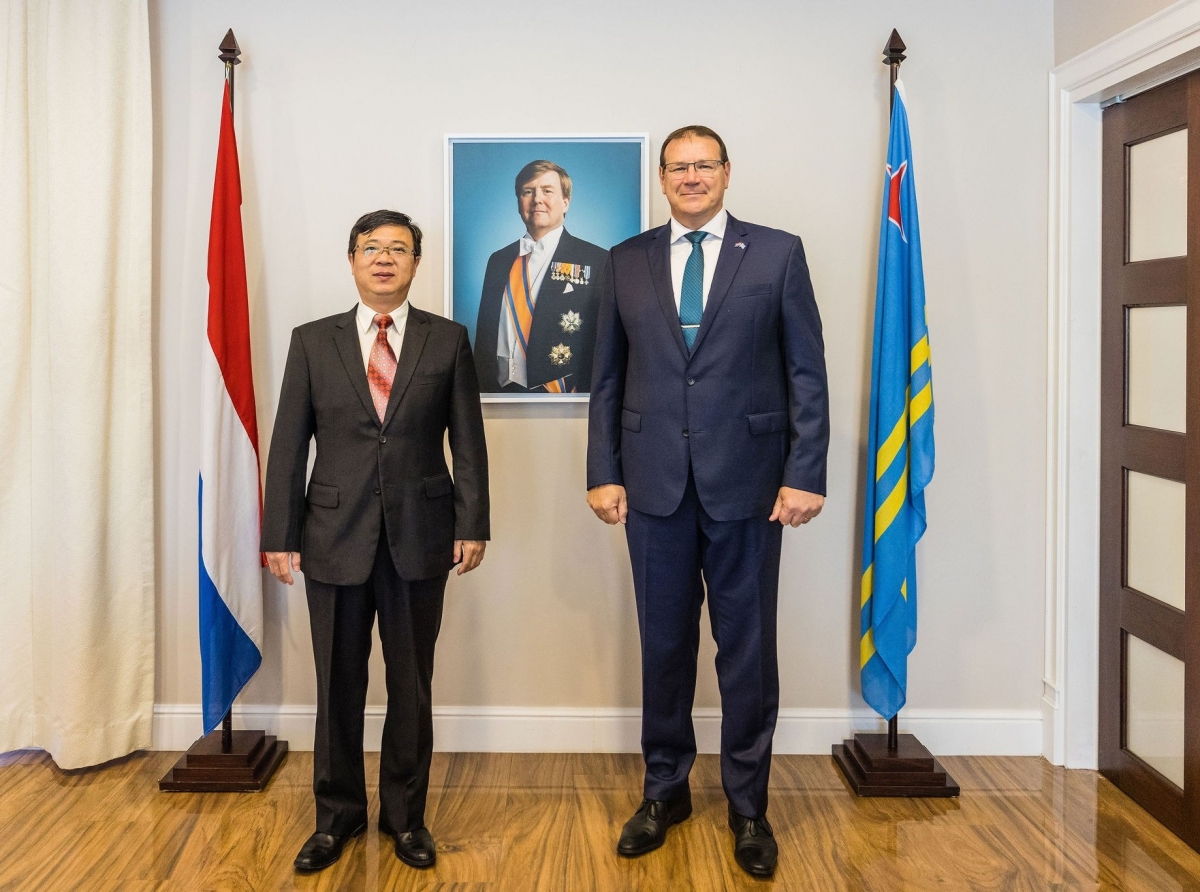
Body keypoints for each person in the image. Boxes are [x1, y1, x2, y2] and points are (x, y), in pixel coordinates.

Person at [585, 126, 829, 878]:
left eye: (704, 166)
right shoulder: (626, 260)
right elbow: (607, 377)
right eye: (678, 167)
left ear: (726, 173)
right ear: (662, 179)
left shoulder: (778, 253)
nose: (691, 177)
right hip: (652, 485)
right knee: (663, 648)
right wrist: (603, 470)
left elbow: (807, 373)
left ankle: (748, 805)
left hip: (751, 486)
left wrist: (805, 472)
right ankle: (665, 792)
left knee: (746, 653)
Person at [261, 210, 490, 873]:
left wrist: (473, 522)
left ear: (416, 262)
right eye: (371, 248)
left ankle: (405, 819)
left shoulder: (448, 340)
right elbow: (288, 444)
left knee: (410, 686)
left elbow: (467, 442)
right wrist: (279, 534)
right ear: (352, 260)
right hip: (333, 537)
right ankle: (336, 818)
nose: (384, 258)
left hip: (421, 536)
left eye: (398, 248)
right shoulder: (313, 341)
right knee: (337, 685)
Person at [474, 159, 608, 393]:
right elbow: (484, 338)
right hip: (498, 393)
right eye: (528, 191)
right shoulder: (498, 260)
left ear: (565, 202)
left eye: (547, 191)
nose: (537, 199)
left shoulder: (597, 259)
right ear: (519, 202)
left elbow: (604, 340)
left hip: (561, 394)